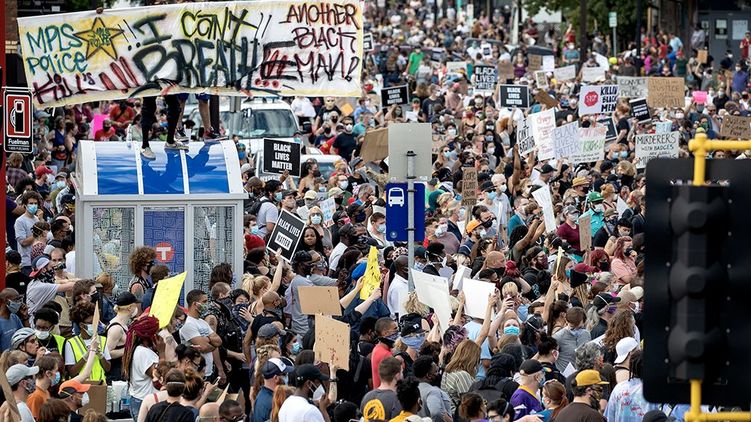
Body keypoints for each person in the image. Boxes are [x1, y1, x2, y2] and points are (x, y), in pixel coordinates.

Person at [180, 289, 222, 380]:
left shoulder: (203, 322)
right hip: (195, 374)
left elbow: (219, 341)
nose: (207, 305)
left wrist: (207, 339)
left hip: (209, 371)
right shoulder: (188, 324)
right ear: (195, 304)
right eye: (204, 302)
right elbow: (204, 347)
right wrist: (212, 342)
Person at [106, 292, 141, 382]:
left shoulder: (124, 325)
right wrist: (130, 349)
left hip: (122, 371)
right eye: (135, 305)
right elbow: (108, 353)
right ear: (130, 307)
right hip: (115, 374)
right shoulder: (116, 328)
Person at [361, 357, 403, 421]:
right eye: (402, 372)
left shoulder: (366, 397)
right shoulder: (397, 400)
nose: (402, 375)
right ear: (397, 376)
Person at [413, 355, 452, 422]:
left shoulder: (411, 389)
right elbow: (436, 413)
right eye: (436, 371)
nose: (438, 374)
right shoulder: (432, 391)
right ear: (428, 375)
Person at [254, 357, 294, 422]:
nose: (287, 377)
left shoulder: (263, 395)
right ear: (276, 378)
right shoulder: (272, 402)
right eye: (284, 374)